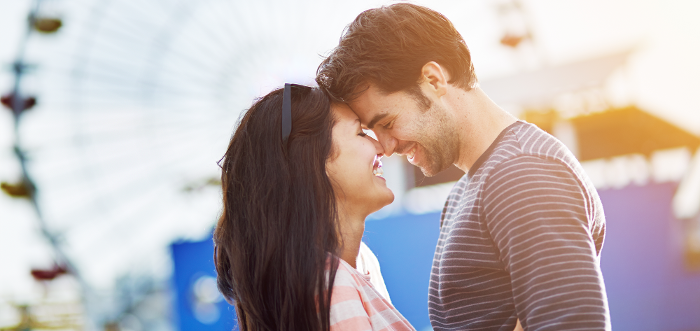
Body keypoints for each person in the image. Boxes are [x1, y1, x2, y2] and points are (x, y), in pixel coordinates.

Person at [316, 3, 611, 331]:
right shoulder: (475, 188)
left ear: (433, 79)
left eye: (387, 122)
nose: (385, 147)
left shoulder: (523, 174)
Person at [213, 84, 415, 331]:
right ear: (313, 161)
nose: (382, 147)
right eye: (361, 134)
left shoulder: (353, 267)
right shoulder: (330, 286)